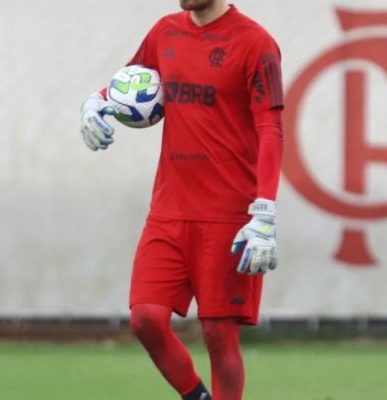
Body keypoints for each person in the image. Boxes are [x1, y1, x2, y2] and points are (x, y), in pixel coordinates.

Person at [80, 1, 283, 399]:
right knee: (146, 319)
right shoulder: (164, 32)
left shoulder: (256, 44)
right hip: (169, 210)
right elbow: (128, 82)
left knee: (218, 335)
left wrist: (265, 213)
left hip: (229, 215)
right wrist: (95, 103)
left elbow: (271, 130)